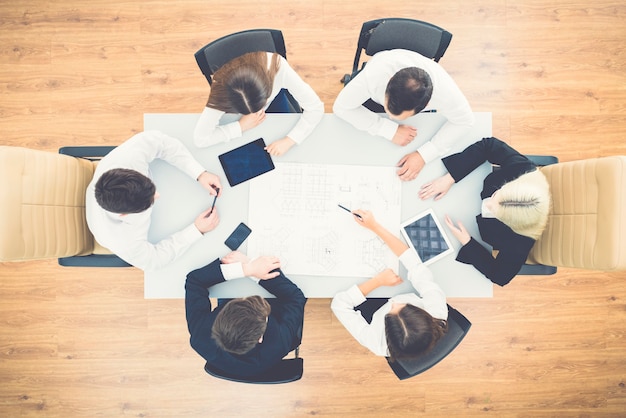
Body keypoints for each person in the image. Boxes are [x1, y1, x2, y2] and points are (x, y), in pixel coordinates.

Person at [418, 137, 551, 286]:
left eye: (497, 212)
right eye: (496, 195)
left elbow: (500, 277)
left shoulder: (521, 239)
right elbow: (489, 145)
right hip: (464, 191)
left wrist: (467, 242)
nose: (488, 204)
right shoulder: (523, 170)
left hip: (472, 228)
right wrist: (450, 178)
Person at [86, 130, 222, 271]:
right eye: (149, 200)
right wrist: (196, 230)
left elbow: (161, 143)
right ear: (124, 214)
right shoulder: (122, 241)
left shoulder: (128, 158)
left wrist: (199, 173)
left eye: (151, 188)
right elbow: (154, 261)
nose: (158, 195)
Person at [333, 49, 474, 182]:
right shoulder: (375, 73)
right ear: (390, 79)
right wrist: (388, 129)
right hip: (383, 68)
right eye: (389, 110)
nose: (391, 118)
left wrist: (424, 155)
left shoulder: (446, 94)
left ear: (426, 106)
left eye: (399, 117)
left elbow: (465, 121)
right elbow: (341, 107)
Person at [331, 210, 448, 361]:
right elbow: (415, 266)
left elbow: (339, 305)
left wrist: (378, 281)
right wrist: (375, 227)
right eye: (406, 305)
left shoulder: (376, 342)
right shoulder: (437, 312)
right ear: (424, 314)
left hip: (375, 300)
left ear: (386, 331)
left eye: (391, 310)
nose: (395, 302)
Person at [185, 251, 306, 377]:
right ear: (261, 338)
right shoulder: (279, 342)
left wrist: (246, 269)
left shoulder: (200, 337)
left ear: (220, 319)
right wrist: (250, 264)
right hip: (275, 305)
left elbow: (194, 281)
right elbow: (295, 298)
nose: (246, 296)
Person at [193, 51, 324, 156]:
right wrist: (240, 126)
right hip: (243, 119)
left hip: (275, 102)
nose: (254, 113)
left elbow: (316, 108)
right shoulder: (221, 90)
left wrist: (290, 140)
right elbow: (200, 139)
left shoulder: (277, 67)